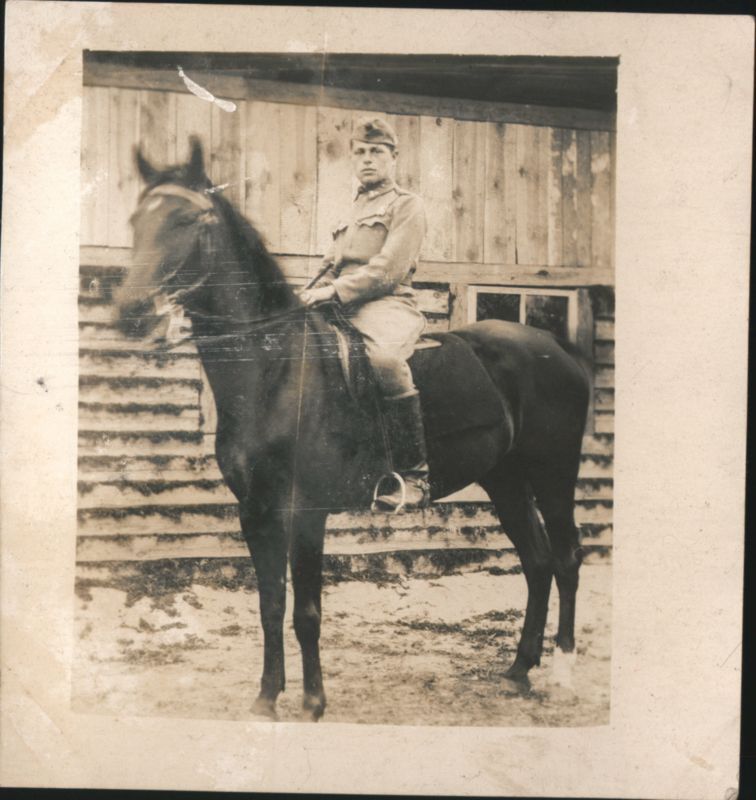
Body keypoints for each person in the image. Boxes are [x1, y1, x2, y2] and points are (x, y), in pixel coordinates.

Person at [299, 116, 429, 511]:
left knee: (384, 360)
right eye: (360, 152)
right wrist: (304, 294)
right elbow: (330, 263)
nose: (367, 159)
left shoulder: (407, 205)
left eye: (377, 152)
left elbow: (388, 269)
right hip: (339, 303)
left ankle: (414, 475)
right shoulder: (352, 209)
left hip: (385, 303)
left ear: (393, 157)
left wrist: (332, 292)